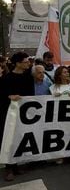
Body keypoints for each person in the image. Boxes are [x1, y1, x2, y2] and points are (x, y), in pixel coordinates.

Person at [0, 52, 34, 181]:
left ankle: (16, 164)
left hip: (24, 114)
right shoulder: (7, 78)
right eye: (25, 61)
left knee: (20, 139)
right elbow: (2, 96)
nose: (28, 63)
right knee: (9, 139)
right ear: (18, 63)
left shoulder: (28, 77)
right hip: (9, 115)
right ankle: (9, 167)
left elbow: (31, 95)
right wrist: (9, 97)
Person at [50, 66, 70, 165]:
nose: (67, 74)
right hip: (60, 114)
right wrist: (54, 97)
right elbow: (49, 102)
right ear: (59, 75)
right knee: (61, 135)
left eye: (67, 72)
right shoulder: (53, 87)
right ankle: (61, 155)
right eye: (64, 72)